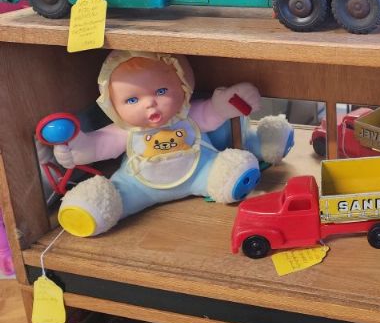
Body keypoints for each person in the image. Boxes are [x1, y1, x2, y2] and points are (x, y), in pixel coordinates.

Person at [52, 50, 292, 237]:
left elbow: (213, 112)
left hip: (199, 172)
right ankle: (91, 209)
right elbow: (96, 146)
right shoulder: (125, 132)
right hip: (138, 188)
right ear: (111, 105)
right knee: (114, 198)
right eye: (132, 100)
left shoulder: (187, 116)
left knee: (229, 170)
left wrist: (227, 103)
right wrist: (76, 149)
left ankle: (237, 170)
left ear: (184, 86)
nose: (150, 104)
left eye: (161, 91)